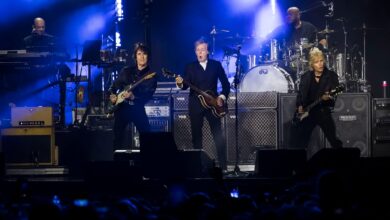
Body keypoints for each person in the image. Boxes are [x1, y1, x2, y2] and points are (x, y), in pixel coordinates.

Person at [175, 38, 230, 171]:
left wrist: (221, 97)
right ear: (195, 52)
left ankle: (223, 167)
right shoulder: (190, 67)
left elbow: (226, 84)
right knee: (196, 137)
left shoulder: (216, 65)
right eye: (198, 50)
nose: (200, 52)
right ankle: (197, 167)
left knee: (218, 135)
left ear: (208, 52)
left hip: (213, 105)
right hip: (196, 105)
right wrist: (179, 83)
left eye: (203, 50)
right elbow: (184, 86)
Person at [108, 43, 157, 151]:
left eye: (144, 54)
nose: (142, 57)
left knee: (147, 136)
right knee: (117, 138)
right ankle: (117, 162)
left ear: (148, 56)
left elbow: (147, 96)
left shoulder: (151, 76)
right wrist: (112, 95)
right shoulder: (126, 71)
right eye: (139, 54)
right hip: (122, 109)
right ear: (135, 56)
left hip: (137, 109)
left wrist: (134, 97)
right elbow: (113, 86)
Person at [292, 47, 342, 149]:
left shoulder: (331, 76)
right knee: (300, 143)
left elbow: (334, 94)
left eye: (321, 61)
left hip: (323, 112)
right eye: (316, 62)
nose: (320, 64)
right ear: (311, 64)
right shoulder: (305, 77)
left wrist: (329, 97)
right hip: (308, 113)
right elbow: (300, 94)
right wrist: (300, 106)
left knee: (334, 141)